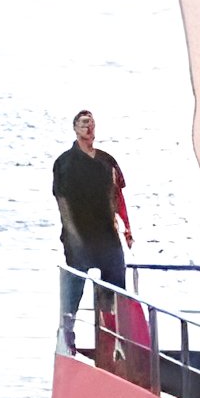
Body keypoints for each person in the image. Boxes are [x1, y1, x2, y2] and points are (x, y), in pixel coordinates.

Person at [52, 110, 129, 333]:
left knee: (115, 284)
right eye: (84, 123)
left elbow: (117, 196)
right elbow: (62, 201)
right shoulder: (65, 162)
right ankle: (67, 332)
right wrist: (72, 235)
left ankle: (112, 334)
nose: (89, 127)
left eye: (92, 123)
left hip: (107, 235)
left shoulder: (106, 161)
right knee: (75, 285)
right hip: (79, 234)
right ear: (75, 128)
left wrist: (124, 227)